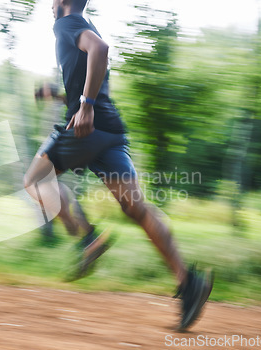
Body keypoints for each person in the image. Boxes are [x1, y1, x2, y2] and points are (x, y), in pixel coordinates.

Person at [24, 0, 213, 331]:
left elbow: (100, 49)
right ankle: (189, 281)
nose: (50, 5)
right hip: (109, 131)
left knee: (35, 180)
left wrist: (85, 106)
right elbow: (91, 73)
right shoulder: (84, 24)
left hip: (82, 129)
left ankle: (87, 238)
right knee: (136, 208)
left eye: (53, 0)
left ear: (64, 2)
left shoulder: (68, 23)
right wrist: (60, 95)